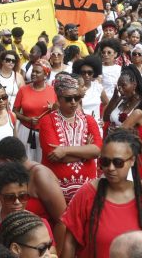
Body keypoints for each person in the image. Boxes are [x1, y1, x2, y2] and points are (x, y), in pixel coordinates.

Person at [61, 130, 142, 258]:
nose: (110, 168)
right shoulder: (86, 194)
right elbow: (69, 243)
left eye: (118, 162)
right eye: (105, 162)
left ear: (132, 160)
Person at [39, 73, 102, 202]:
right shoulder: (47, 121)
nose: (73, 102)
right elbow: (54, 155)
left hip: (87, 190)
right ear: (59, 98)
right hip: (56, 191)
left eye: (77, 98)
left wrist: (65, 150)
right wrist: (85, 152)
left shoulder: (89, 120)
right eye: (68, 98)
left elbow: (97, 151)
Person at [0, 137, 66, 246]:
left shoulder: (40, 175)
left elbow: (62, 220)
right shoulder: (10, 179)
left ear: (8, 162)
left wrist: (54, 252)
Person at [13, 60, 56, 162]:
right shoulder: (23, 90)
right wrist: (28, 119)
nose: (33, 74)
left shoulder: (53, 91)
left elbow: (58, 111)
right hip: (25, 131)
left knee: (43, 161)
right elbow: (15, 112)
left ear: (45, 75)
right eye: (33, 71)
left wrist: (53, 109)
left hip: (45, 132)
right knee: (25, 161)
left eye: (37, 72)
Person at [103, 66, 142, 132]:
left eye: (123, 85)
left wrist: (118, 131)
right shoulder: (120, 99)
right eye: (118, 86)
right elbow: (105, 118)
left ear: (134, 85)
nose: (120, 89)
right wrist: (114, 98)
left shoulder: (141, 104)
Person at [72, 55, 108, 121]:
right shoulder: (74, 88)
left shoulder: (98, 87)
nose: (86, 75)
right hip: (80, 123)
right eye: (83, 72)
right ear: (79, 73)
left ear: (94, 73)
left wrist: (102, 118)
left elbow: (106, 103)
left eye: (90, 72)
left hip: (96, 123)